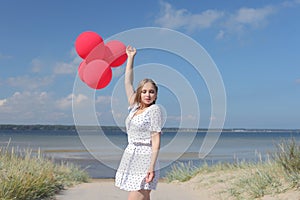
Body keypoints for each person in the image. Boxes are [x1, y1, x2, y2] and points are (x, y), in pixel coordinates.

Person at [115, 45, 162, 200]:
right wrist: (130, 58)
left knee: (136, 196)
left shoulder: (154, 110)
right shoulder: (134, 108)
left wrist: (151, 167)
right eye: (144, 91)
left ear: (155, 95)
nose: (147, 94)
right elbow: (128, 83)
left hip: (146, 157)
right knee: (144, 196)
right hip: (131, 155)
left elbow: (156, 140)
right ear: (139, 93)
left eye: (151, 92)